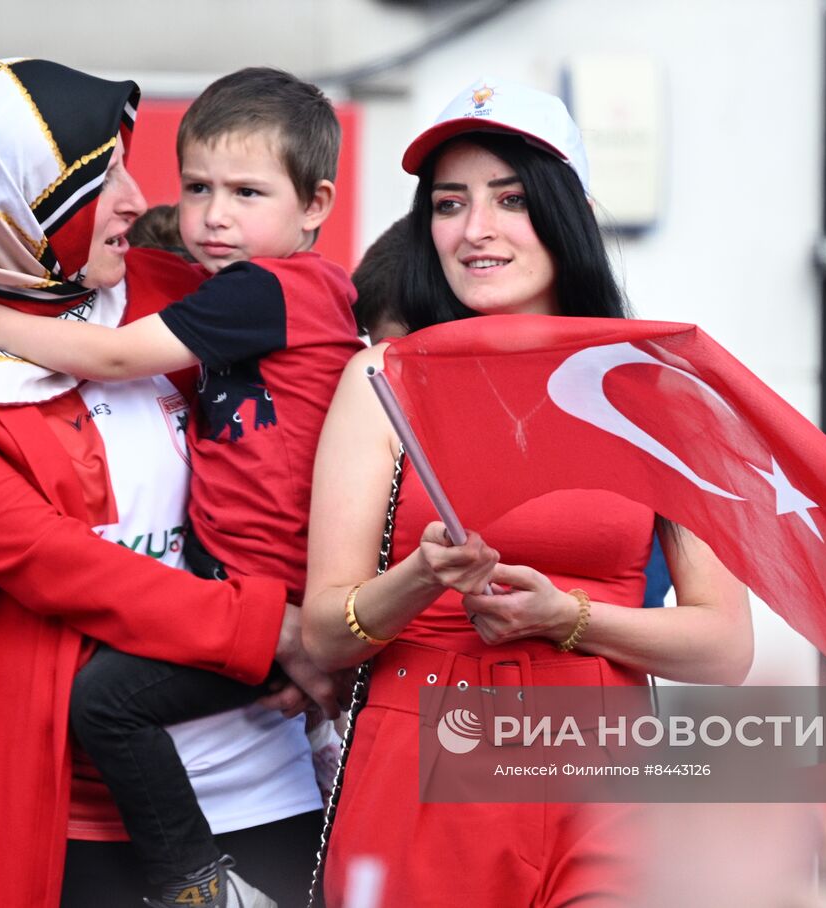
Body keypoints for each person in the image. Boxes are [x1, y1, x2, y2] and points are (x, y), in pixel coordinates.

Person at [0, 60, 331, 908]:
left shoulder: (180, 294)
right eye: (92, 180)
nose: (134, 199)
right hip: (54, 809)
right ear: (0, 200)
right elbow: (52, 562)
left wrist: (339, 620)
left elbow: (328, 441)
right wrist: (277, 630)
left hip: (259, 781)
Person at [301, 78, 754, 906]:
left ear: (566, 209)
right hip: (426, 748)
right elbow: (328, 632)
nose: (476, 230)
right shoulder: (384, 381)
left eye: (509, 199)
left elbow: (725, 645)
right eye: (449, 204)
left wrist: (567, 619)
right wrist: (420, 578)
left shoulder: (658, 391)